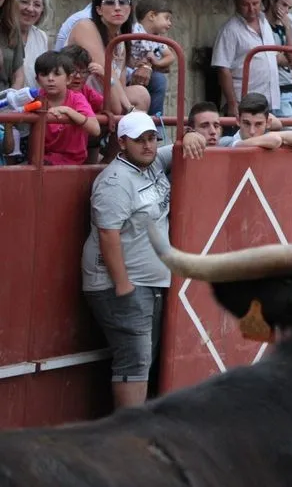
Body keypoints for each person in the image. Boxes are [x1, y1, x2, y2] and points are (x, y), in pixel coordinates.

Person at [81, 111, 205, 408]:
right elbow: (108, 235)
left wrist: (189, 135)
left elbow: (179, 149)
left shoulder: (151, 162)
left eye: (151, 138)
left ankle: (132, 430)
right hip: (121, 283)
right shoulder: (113, 182)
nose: (148, 145)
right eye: (140, 141)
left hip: (147, 281)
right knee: (135, 360)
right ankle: (129, 435)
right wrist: (123, 284)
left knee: (142, 358)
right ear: (123, 143)